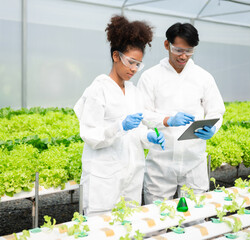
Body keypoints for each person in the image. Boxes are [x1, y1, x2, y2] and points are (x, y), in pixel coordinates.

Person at [74, 15, 165, 216]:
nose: (134, 69)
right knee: (101, 229)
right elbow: (91, 135)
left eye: (138, 64)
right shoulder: (99, 89)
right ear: (116, 56)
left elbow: (137, 130)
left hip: (131, 177)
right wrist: (119, 127)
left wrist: (147, 136)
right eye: (130, 62)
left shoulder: (133, 91)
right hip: (104, 179)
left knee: (129, 228)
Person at [137, 22, 225, 204]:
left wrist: (213, 128)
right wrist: (167, 120)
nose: (184, 56)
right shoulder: (151, 77)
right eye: (178, 50)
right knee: (156, 218)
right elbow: (141, 113)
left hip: (194, 161)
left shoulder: (203, 77)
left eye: (189, 50)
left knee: (195, 217)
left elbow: (216, 111)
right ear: (166, 45)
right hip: (160, 162)